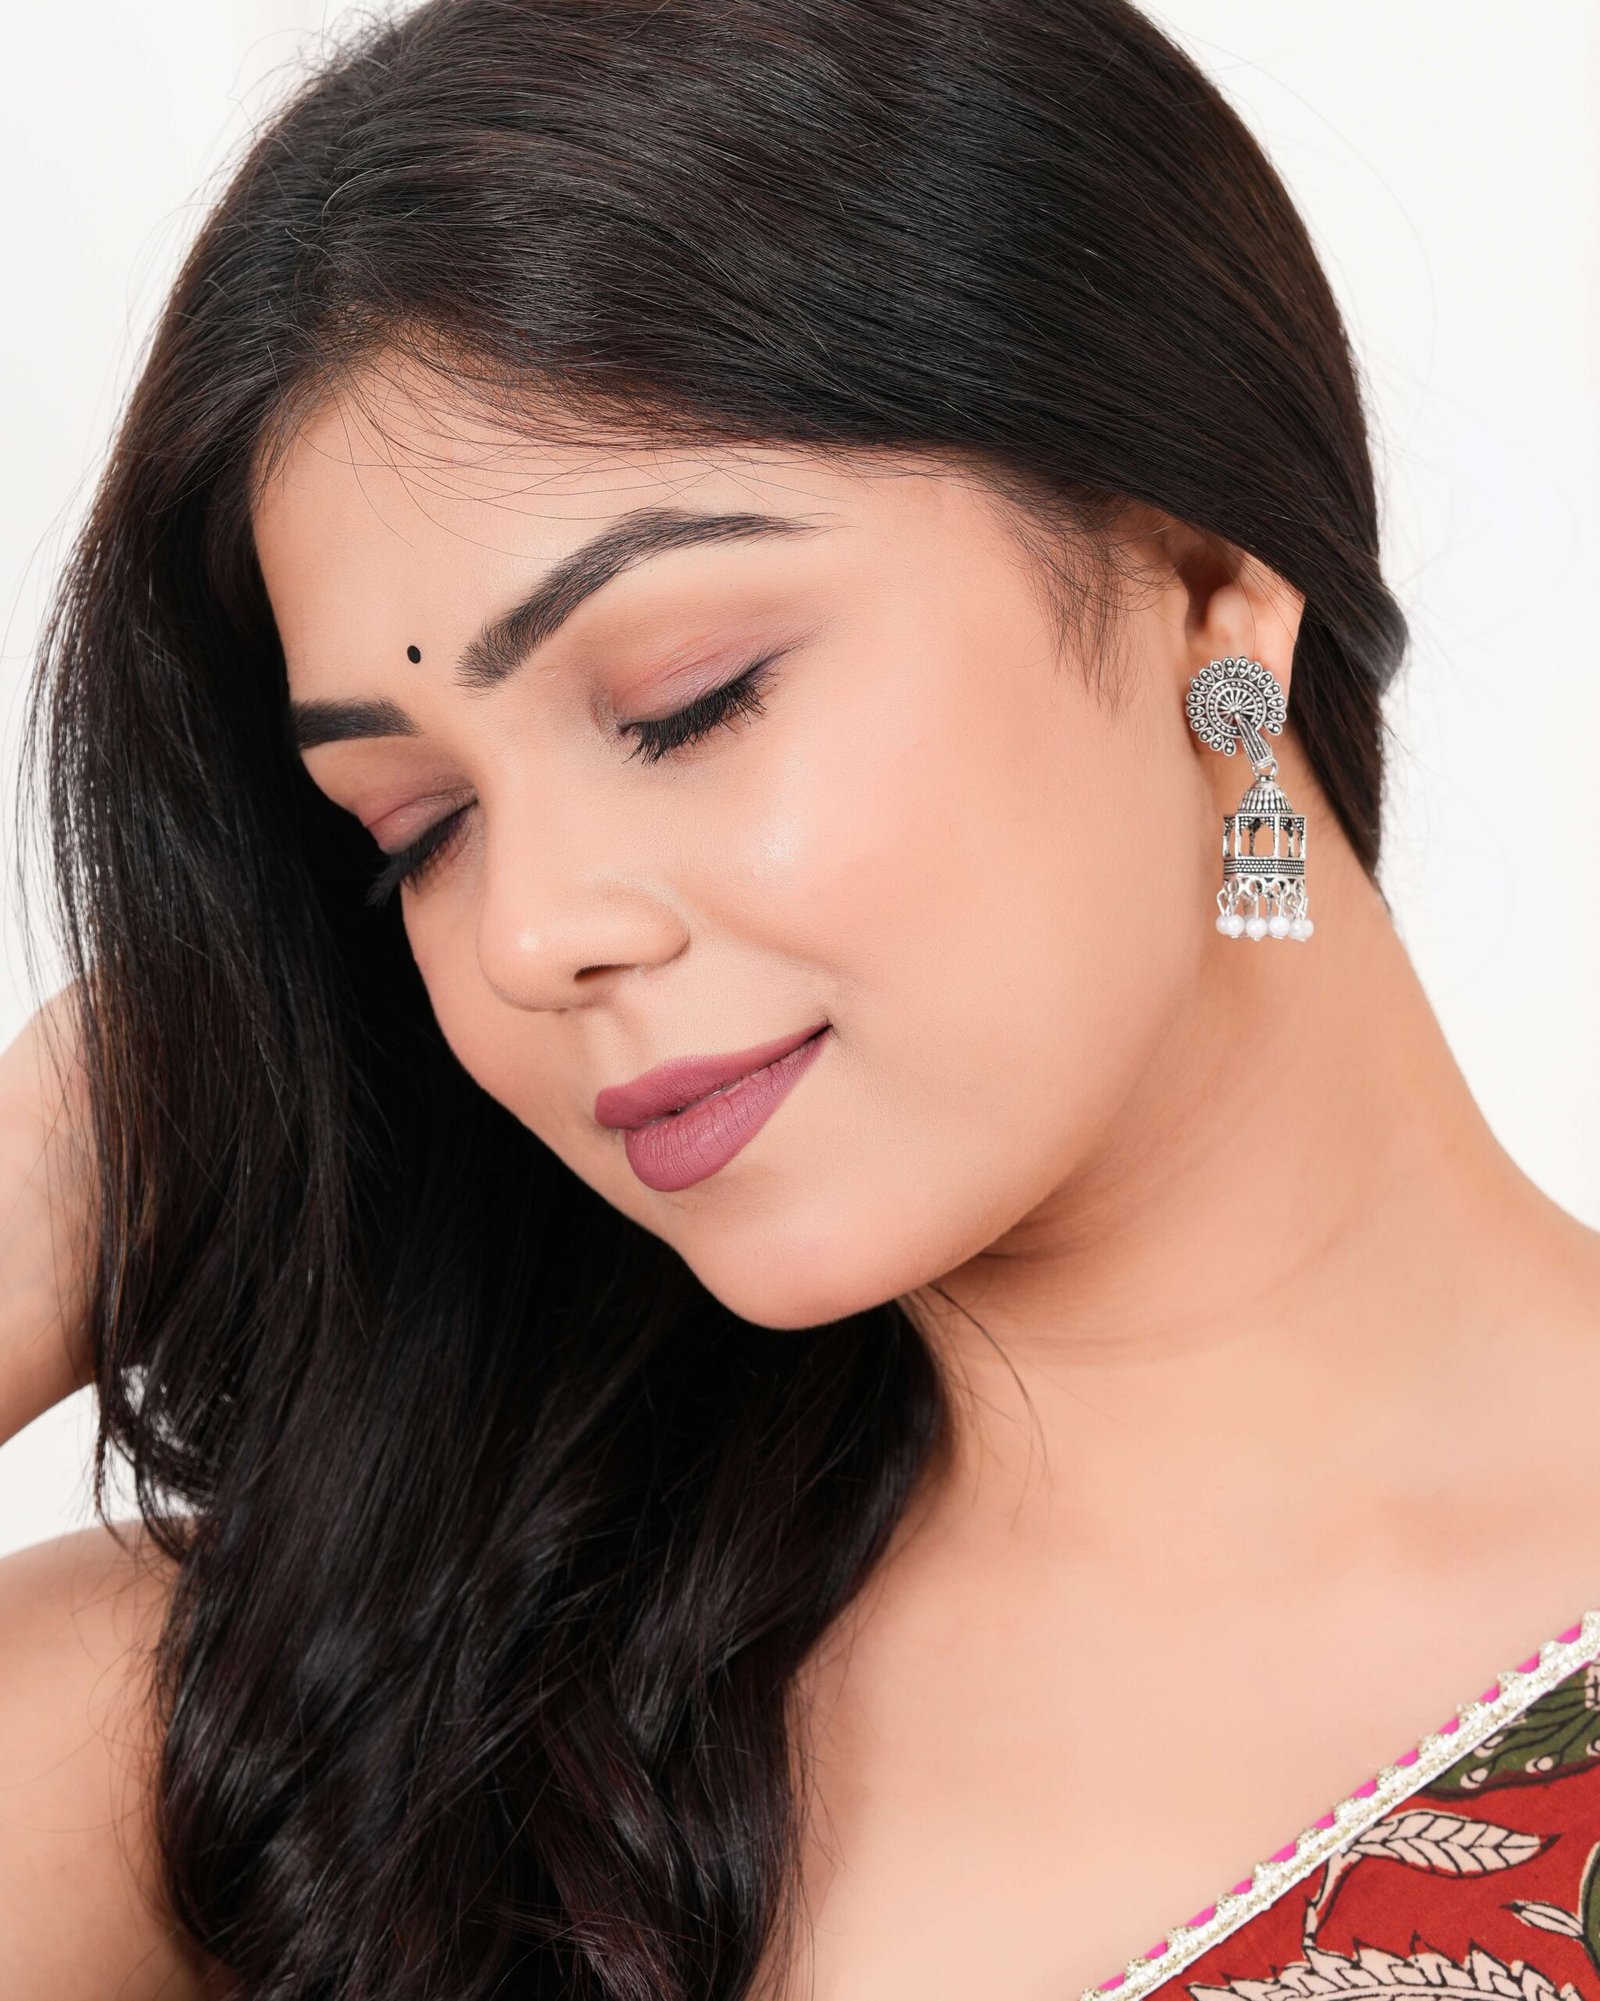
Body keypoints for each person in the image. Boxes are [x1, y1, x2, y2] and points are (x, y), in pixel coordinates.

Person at [1, 0, 1597, 1996]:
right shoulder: (345, 1739)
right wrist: (58, 1169)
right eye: (417, 831)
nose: (527, 937)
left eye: (689, 701)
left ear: (1206, 607)